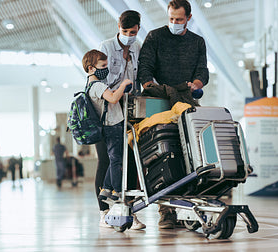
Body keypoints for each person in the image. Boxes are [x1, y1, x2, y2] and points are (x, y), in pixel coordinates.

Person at [137, 0, 209, 229]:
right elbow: (145, 67)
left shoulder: (197, 42)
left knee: (189, 152)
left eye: (179, 19)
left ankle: (186, 204)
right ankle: (166, 211)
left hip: (186, 101)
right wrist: (151, 86)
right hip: (159, 101)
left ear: (188, 18)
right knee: (160, 152)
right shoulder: (155, 37)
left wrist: (195, 84)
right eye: (171, 19)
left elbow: (202, 72)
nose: (174, 23)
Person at [82, 48, 145, 230]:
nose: (106, 69)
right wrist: (123, 85)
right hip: (112, 128)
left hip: (112, 127)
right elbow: (113, 99)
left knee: (114, 160)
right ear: (91, 68)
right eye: (103, 66)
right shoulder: (98, 86)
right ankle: (117, 192)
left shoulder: (92, 85)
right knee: (116, 160)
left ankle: (106, 189)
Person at [97, 10, 146, 230]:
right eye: (124, 31)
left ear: (138, 29)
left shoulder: (137, 47)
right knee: (107, 162)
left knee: (131, 161)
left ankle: (130, 212)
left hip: (128, 111)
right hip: (106, 113)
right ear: (118, 26)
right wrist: (121, 86)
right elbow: (102, 81)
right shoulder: (106, 47)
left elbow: (140, 78)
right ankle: (104, 212)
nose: (128, 35)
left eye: (133, 31)